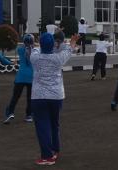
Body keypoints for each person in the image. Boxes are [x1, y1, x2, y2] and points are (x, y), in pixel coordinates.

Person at [30, 32, 77, 165]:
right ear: (53, 45)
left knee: (42, 125)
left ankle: (46, 157)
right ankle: (55, 150)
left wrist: (38, 43)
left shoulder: (35, 57)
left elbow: (35, 48)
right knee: (54, 123)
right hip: (56, 96)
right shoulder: (58, 58)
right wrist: (72, 41)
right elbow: (69, 49)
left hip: (39, 96)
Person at [4, 34, 35, 124]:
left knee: (15, 96)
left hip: (21, 76)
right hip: (31, 77)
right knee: (30, 98)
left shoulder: (20, 49)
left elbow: (23, 47)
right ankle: (29, 115)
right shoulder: (35, 51)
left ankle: (10, 112)